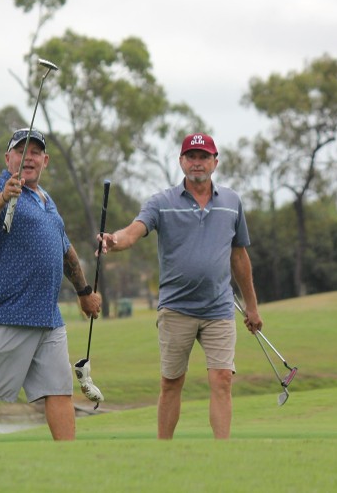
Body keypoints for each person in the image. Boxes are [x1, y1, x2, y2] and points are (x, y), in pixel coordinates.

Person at [99, 132, 263, 440]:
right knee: (171, 382)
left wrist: (252, 306)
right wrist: (114, 240)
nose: (197, 163)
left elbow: (239, 256)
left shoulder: (231, 202)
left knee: (222, 379)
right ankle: (165, 448)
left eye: (203, 157)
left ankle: (221, 450)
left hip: (219, 307)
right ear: (181, 161)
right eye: (191, 156)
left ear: (215, 162)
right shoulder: (161, 202)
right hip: (176, 309)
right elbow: (135, 231)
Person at [0, 127, 102, 443]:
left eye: (35, 152)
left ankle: (68, 462)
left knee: (60, 391)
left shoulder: (46, 201)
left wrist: (83, 292)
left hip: (48, 318)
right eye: (22, 150)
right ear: (8, 158)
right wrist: (3, 196)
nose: (29, 157)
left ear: (45, 160)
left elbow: (65, 250)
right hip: (5, 313)